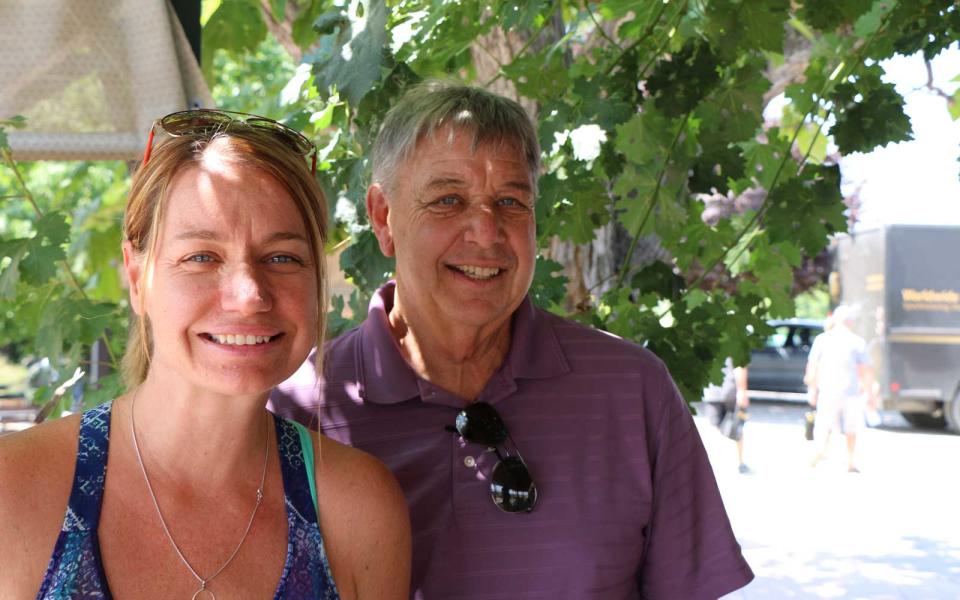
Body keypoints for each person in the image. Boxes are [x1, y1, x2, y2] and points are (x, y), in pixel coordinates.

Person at [270, 81, 753, 599]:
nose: (486, 230)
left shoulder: (632, 391)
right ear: (384, 218)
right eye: (448, 199)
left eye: (510, 201)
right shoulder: (300, 408)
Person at [0, 110, 410, 599]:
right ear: (137, 277)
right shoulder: (15, 492)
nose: (249, 294)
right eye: (202, 257)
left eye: (282, 258)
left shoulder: (358, 510)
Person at [805, 305, 877, 473]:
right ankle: (850, 461)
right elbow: (867, 370)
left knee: (823, 425)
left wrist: (812, 390)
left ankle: (818, 454)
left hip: (828, 390)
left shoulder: (822, 340)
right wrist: (869, 393)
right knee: (850, 428)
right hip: (850, 392)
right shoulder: (857, 341)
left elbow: (812, 367)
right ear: (850, 322)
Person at [703, 357, 751, 473]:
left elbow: (740, 365)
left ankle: (735, 461)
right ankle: (737, 461)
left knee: (731, 426)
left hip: (720, 391)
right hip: (720, 391)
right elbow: (740, 366)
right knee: (734, 426)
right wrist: (742, 391)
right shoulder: (732, 340)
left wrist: (741, 391)